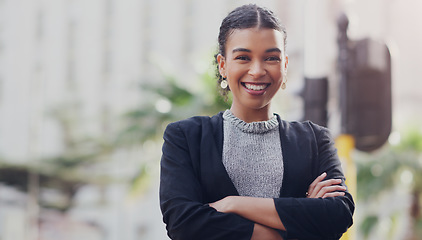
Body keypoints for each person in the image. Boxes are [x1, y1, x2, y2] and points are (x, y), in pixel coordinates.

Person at [159, 4, 354, 240]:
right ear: (223, 65)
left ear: (285, 65)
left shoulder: (315, 139)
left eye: (271, 58)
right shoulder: (186, 137)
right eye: (243, 57)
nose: (257, 70)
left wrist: (234, 204)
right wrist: (292, 226)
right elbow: (183, 223)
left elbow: (338, 214)